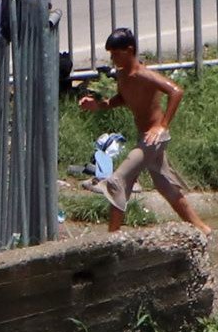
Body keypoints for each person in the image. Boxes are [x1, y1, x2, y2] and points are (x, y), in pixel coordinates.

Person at [75, 27, 208, 233]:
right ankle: (203, 229)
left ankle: (112, 238)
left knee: (117, 181)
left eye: (116, 54)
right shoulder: (122, 74)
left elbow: (176, 91)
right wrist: (99, 105)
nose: (113, 59)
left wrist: (162, 126)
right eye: (111, 55)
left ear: (129, 50)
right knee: (166, 188)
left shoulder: (144, 74)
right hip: (143, 136)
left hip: (154, 139)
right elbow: (121, 98)